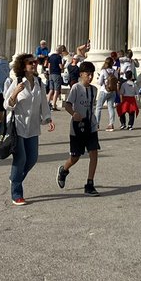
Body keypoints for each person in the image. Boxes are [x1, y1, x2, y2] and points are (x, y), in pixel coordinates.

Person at [4, 53, 55, 206]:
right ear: (23, 66)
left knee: (32, 159)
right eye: (29, 63)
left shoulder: (39, 82)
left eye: (34, 62)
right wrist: (15, 92)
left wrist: (48, 118)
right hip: (18, 126)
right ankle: (17, 193)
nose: (33, 65)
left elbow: (43, 104)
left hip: (33, 126)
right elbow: (6, 105)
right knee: (21, 159)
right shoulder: (17, 82)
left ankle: (15, 177)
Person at [58, 61, 101, 196]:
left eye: (92, 74)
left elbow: (91, 106)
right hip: (77, 126)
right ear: (81, 74)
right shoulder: (76, 88)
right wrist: (74, 114)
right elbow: (68, 105)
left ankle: (89, 183)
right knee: (75, 157)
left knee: (94, 153)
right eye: (87, 74)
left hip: (91, 125)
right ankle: (64, 170)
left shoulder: (94, 90)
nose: (90, 77)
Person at [95, 57, 121, 132]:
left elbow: (100, 83)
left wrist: (98, 79)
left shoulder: (103, 71)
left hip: (104, 90)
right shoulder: (115, 71)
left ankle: (97, 124)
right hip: (112, 91)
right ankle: (111, 124)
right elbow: (116, 80)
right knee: (111, 108)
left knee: (99, 107)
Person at [46, 45, 65, 110]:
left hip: (51, 74)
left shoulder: (51, 56)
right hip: (56, 74)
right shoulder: (58, 57)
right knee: (56, 90)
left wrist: (49, 73)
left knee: (51, 89)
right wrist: (63, 65)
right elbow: (60, 67)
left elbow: (48, 65)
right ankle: (54, 105)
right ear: (59, 50)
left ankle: (47, 103)